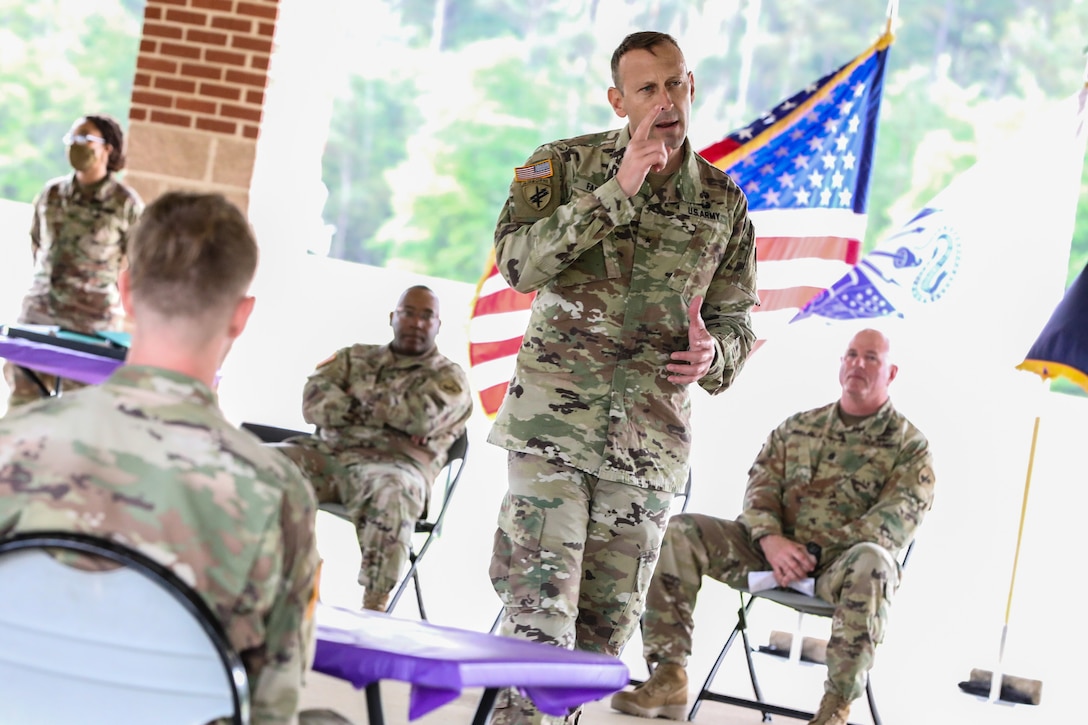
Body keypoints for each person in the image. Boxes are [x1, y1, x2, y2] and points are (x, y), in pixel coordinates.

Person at [487, 30, 759, 724]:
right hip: (552, 434)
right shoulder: (564, 165)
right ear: (618, 100)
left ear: (691, 87)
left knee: (596, 640)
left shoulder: (724, 204)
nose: (666, 101)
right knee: (539, 616)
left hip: (646, 452)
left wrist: (714, 357)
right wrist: (618, 189)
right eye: (648, 89)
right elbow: (519, 266)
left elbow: (737, 324)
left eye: (676, 84)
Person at [0, 191, 320, 724]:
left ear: (125, 290)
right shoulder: (276, 494)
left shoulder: (12, 443)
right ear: (242, 316)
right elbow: (271, 705)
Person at [609, 328, 936, 725]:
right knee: (681, 532)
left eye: (871, 358)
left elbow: (892, 524)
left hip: (841, 573)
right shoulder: (798, 427)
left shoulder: (910, 446)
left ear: (892, 372)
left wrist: (810, 554)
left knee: (876, 563)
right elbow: (760, 491)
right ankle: (669, 674)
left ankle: (835, 707)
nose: (857, 364)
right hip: (769, 557)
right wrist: (772, 541)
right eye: (851, 355)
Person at [275, 285, 473, 612]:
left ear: (439, 325)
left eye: (427, 316)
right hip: (330, 457)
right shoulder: (354, 357)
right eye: (409, 313)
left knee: (394, 491)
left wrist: (351, 403)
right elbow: (313, 403)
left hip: (395, 468)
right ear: (393, 317)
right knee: (264, 463)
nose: (417, 323)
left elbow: (421, 419)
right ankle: (287, 578)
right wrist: (389, 414)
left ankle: (374, 609)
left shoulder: (449, 378)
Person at [3, 113, 144, 408]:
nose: (77, 145)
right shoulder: (51, 194)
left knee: (78, 412)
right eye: (73, 138)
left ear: (108, 148)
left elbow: (137, 263)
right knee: (23, 405)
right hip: (39, 316)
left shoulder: (125, 204)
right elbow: (38, 244)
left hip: (90, 325)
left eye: (86, 138)